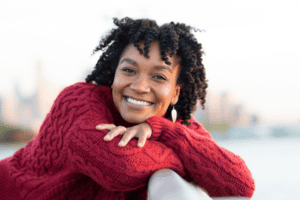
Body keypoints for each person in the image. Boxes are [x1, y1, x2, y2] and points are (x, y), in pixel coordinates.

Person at [0, 17, 255, 200]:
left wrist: (163, 132)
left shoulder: (175, 128)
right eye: (129, 70)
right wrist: (186, 159)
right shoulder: (78, 103)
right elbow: (121, 165)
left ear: (176, 92)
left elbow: (240, 184)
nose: (140, 86)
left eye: (159, 77)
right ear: (115, 72)